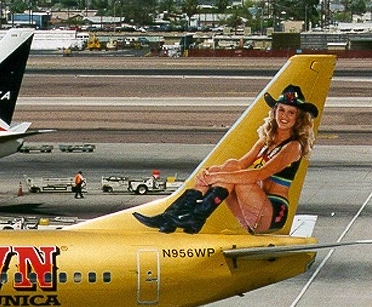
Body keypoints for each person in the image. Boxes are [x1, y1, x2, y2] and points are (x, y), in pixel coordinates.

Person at [134, 84, 317, 234]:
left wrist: (218, 178)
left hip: (271, 214)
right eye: (281, 110)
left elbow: (259, 174)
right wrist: (212, 173)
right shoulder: (266, 140)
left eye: (291, 113)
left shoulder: (293, 146)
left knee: (240, 179)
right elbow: (239, 165)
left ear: (298, 119)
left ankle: (193, 217)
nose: (284, 116)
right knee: (230, 165)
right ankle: (173, 216)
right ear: (275, 111)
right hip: (251, 208)